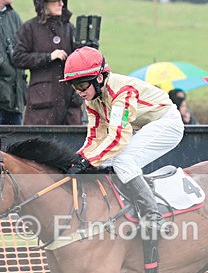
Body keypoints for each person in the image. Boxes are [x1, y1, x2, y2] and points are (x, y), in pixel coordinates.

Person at [61, 47, 184, 233]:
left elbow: (118, 137)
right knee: (107, 161)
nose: (79, 92)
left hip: (167, 122)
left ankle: (153, 217)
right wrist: (78, 159)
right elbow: (95, 137)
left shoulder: (122, 92)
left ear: (99, 78)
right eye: (74, 86)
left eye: (82, 85)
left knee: (122, 159)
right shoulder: (92, 100)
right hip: (145, 126)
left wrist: (89, 161)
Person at [12, 0, 83, 125]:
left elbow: (81, 59)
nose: (61, 4)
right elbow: (17, 58)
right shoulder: (29, 28)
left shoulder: (69, 28)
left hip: (70, 102)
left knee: (73, 145)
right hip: (42, 104)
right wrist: (48, 57)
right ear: (43, 4)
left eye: (62, 0)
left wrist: (88, 47)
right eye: (56, 1)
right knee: (39, 144)